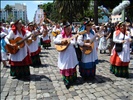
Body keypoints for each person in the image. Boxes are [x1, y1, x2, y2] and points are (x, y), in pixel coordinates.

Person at [54, 21, 78, 88]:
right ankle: (66, 80)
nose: (68, 30)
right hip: (64, 53)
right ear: (64, 29)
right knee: (65, 65)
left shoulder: (72, 36)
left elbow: (75, 44)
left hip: (71, 53)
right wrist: (62, 41)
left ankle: (72, 78)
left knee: (71, 64)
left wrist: (72, 41)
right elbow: (55, 41)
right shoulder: (60, 36)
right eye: (67, 29)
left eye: (69, 29)